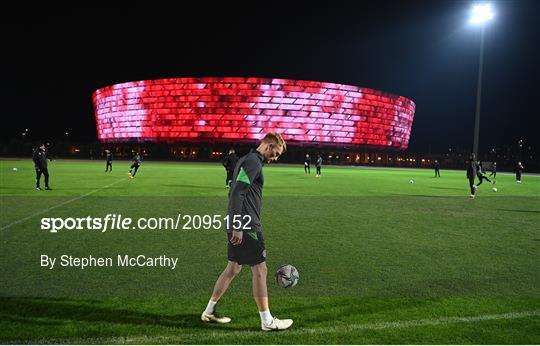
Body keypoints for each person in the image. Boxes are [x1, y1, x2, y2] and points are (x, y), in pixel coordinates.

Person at [201, 133, 293, 331]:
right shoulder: (253, 162)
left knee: (233, 268)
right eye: (275, 154)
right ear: (268, 145)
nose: (275, 159)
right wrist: (238, 224)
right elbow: (237, 192)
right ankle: (267, 321)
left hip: (240, 221)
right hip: (247, 225)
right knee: (260, 269)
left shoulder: (246, 159)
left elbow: (234, 190)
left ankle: (209, 311)